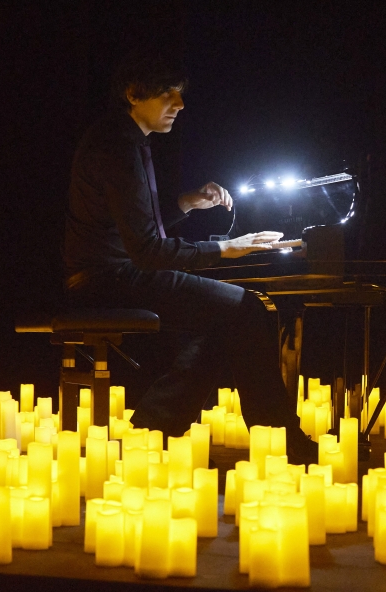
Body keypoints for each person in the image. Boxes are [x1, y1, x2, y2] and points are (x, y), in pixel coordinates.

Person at [64, 53, 316, 463]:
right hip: (106, 277)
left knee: (226, 316)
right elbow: (146, 250)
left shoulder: (124, 140)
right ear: (133, 94)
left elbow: (133, 223)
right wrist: (227, 248)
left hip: (113, 270)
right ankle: (283, 445)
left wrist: (188, 203)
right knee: (245, 308)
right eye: (168, 95)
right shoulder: (117, 147)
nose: (179, 104)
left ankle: (152, 432)